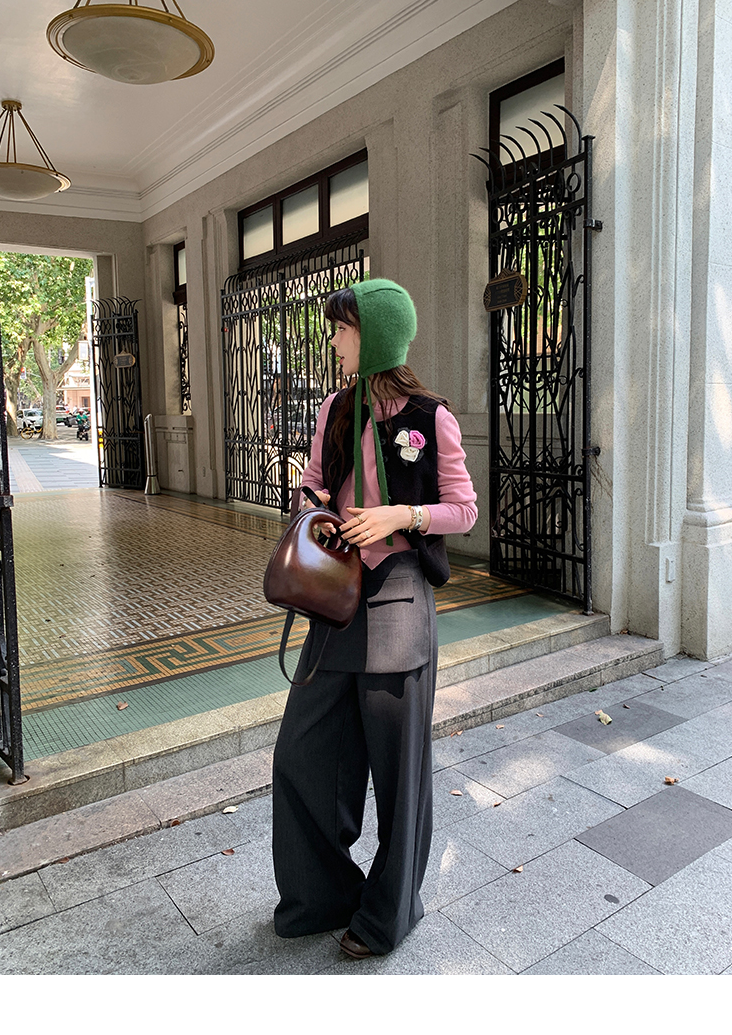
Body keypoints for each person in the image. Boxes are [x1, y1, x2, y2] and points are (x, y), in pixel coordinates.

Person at [271, 279, 477, 959]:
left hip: (398, 598)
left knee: (398, 770)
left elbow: (463, 510)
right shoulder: (335, 407)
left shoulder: (430, 416)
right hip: (336, 599)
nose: (333, 341)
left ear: (377, 334)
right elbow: (316, 481)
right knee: (303, 753)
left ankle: (388, 915)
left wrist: (400, 515)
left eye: (342, 329)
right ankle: (322, 895)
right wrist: (316, 502)